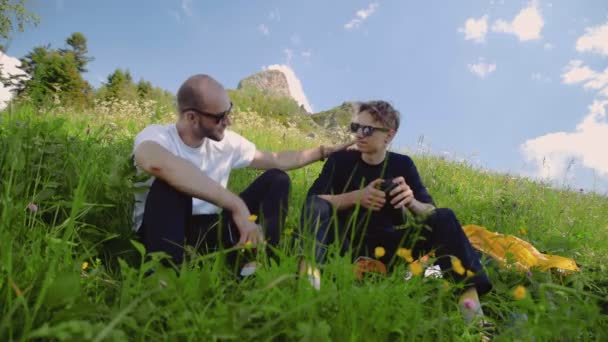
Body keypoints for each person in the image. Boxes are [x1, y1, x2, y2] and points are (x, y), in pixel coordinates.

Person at [132, 74, 353, 272]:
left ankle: (255, 264)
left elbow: (277, 159)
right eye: (220, 116)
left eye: (229, 111)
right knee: (169, 185)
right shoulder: (156, 136)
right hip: (164, 228)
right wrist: (235, 204)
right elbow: (158, 164)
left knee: (277, 179)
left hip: (209, 229)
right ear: (191, 117)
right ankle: (166, 274)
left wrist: (323, 151)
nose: (228, 121)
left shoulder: (227, 143)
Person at [299, 100, 492, 323]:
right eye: (355, 127)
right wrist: (356, 197)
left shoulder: (403, 164)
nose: (359, 135)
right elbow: (312, 202)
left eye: (367, 129)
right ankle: (308, 294)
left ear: (389, 135)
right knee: (316, 207)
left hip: (390, 248)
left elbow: (430, 211)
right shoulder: (340, 160)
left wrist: (411, 202)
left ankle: (474, 318)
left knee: (445, 217)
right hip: (343, 242)